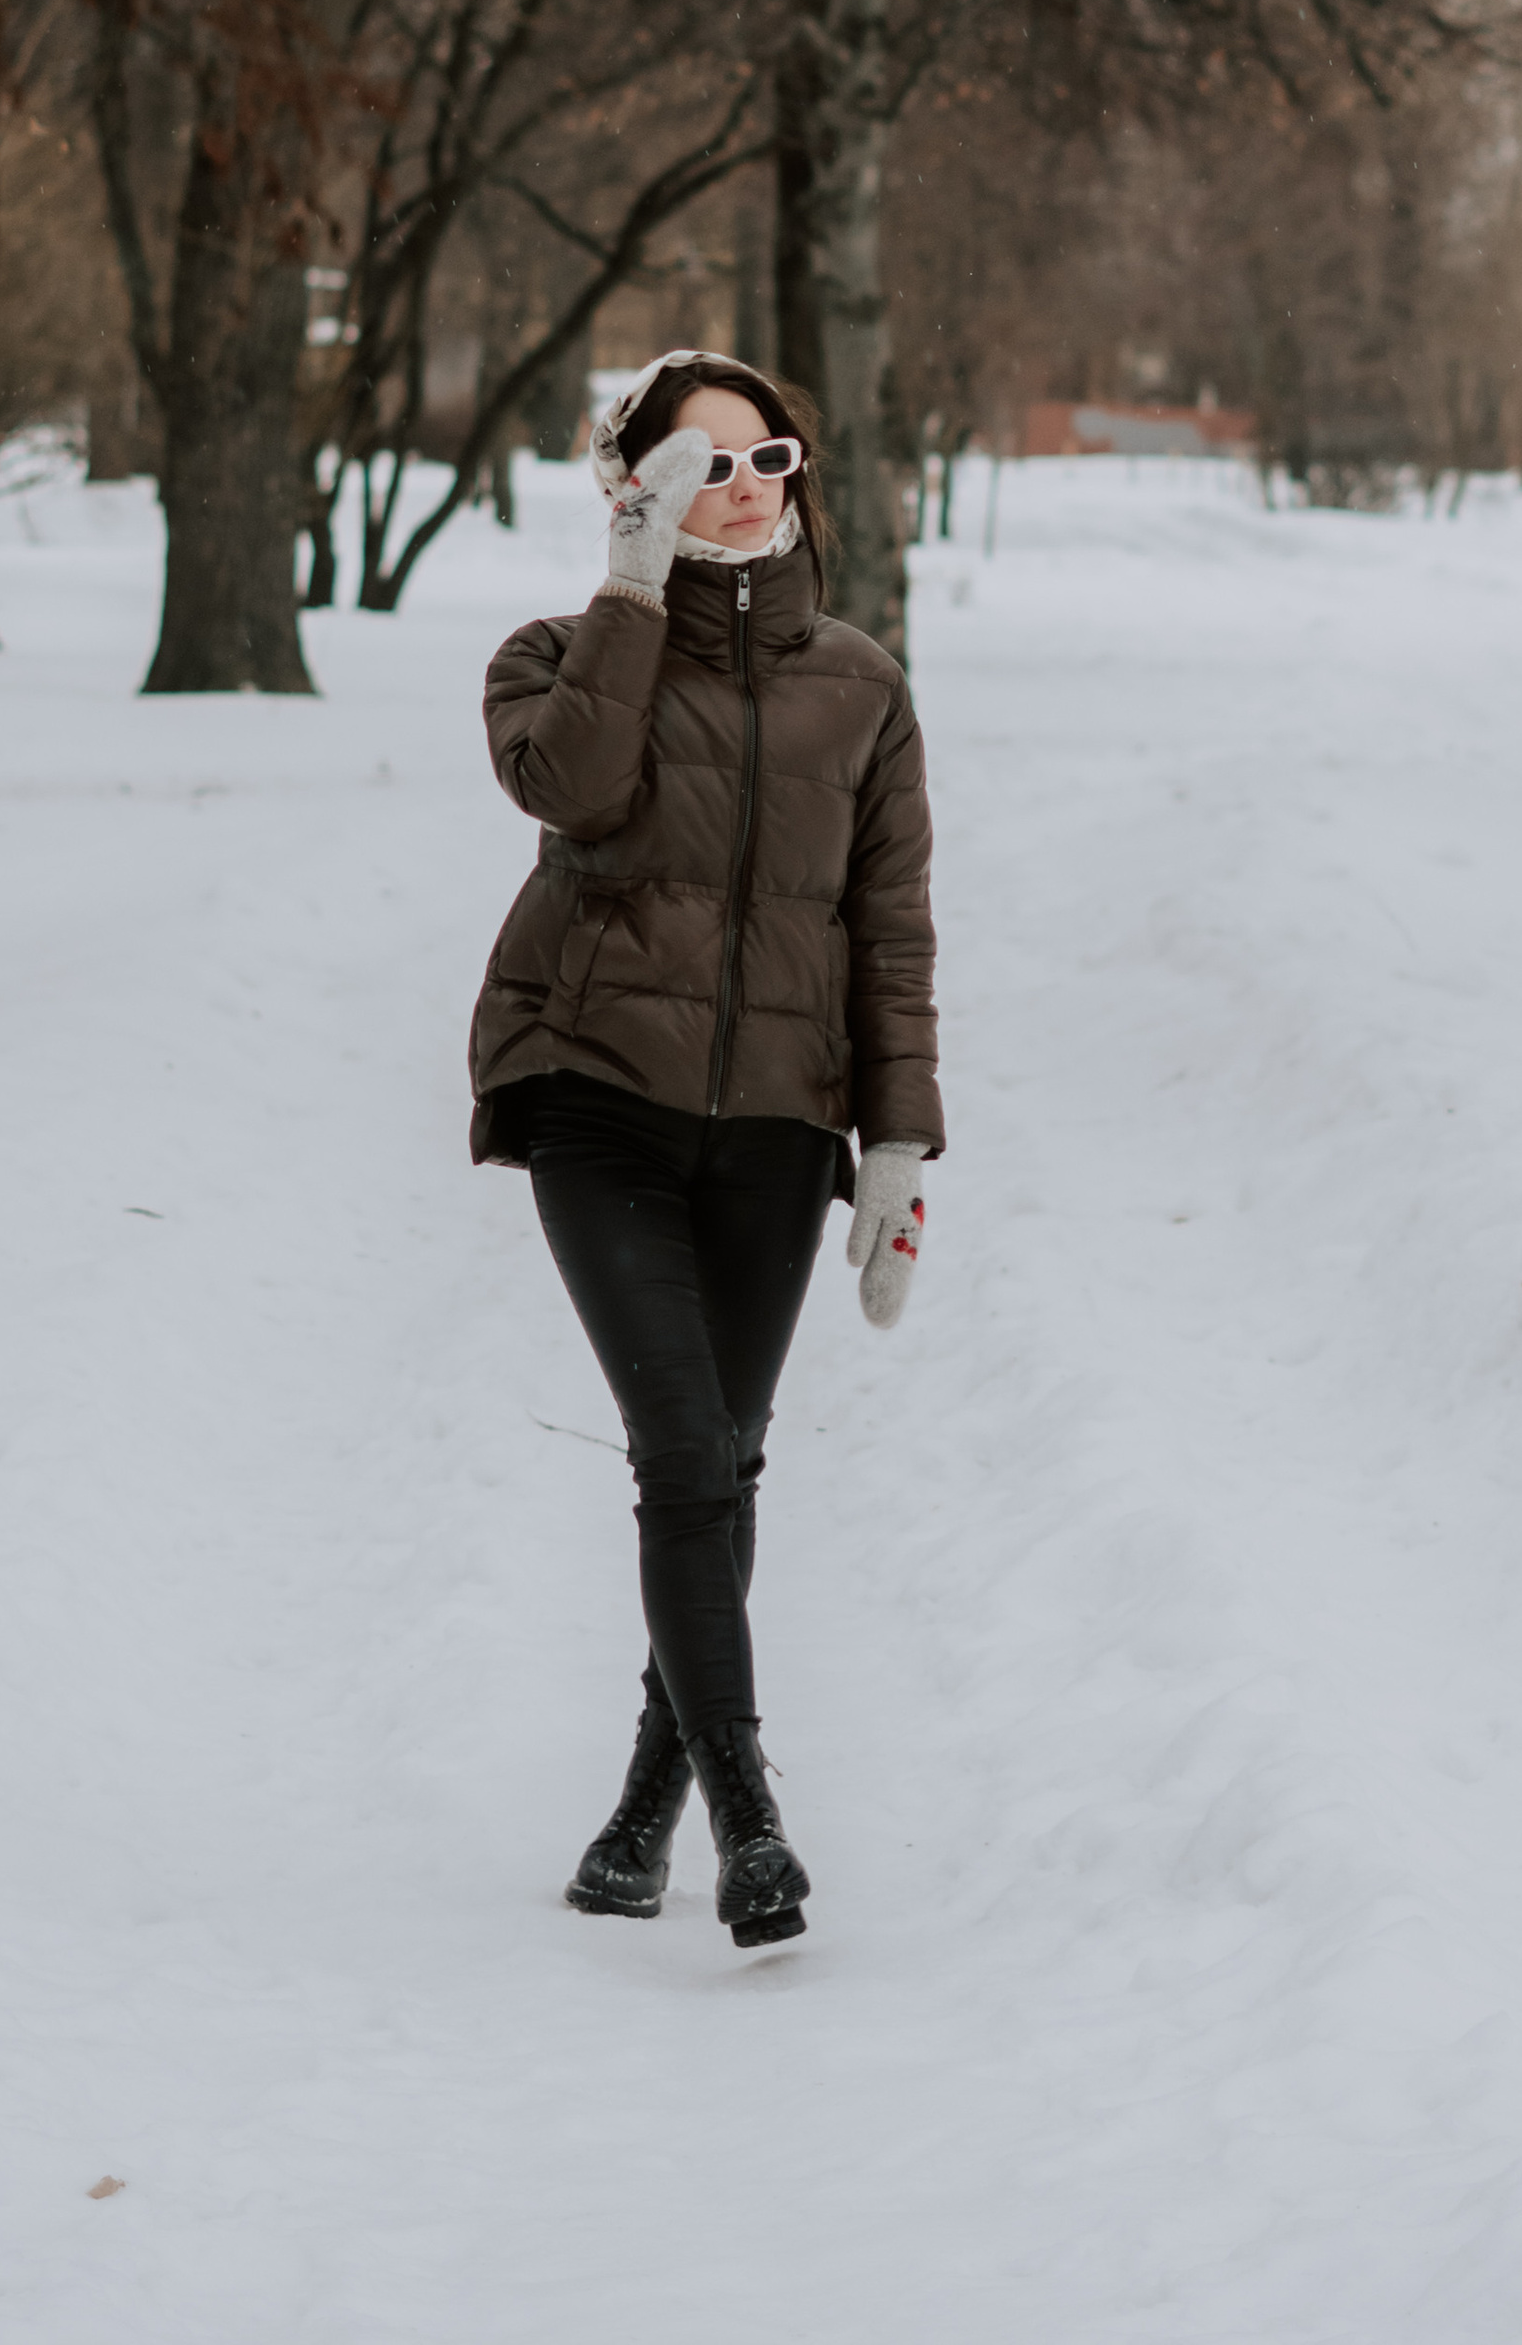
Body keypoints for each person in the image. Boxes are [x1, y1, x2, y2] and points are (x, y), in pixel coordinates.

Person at [468, 348, 944, 1949]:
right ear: (631, 489)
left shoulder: (864, 688)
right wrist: (631, 587)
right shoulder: (556, 655)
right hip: (595, 1090)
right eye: (696, 469)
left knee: (727, 1463)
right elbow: (571, 788)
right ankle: (751, 1822)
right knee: (682, 1448)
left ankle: (639, 1816)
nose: (743, 489)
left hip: (777, 1133)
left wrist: (897, 1149)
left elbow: (890, 932)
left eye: (769, 461)